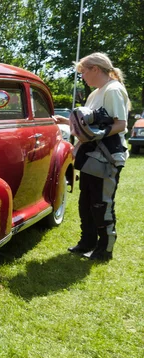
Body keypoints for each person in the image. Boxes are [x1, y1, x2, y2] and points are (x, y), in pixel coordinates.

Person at [53, 52, 130, 261]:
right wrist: (71, 130)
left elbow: (121, 124)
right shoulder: (95, 93)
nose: (82, 76)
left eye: (83, 71)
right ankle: (87, 242)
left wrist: (99, 134)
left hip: (107, 156)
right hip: (90, 156)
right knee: (85, 201)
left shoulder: (113, 89)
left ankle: (104, 249)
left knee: (101, 203)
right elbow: (87, 126)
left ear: (95, 69)